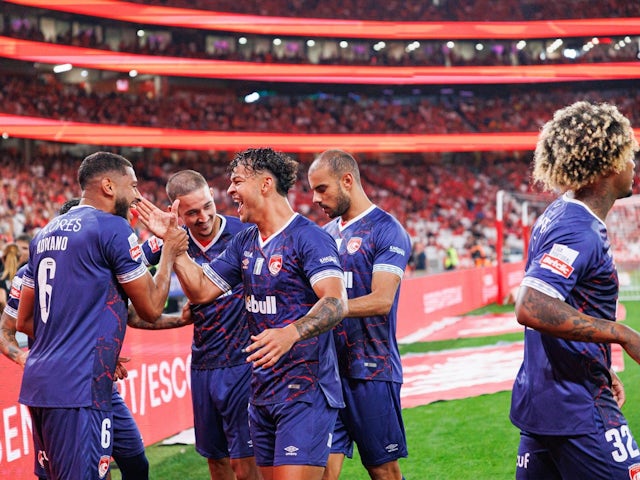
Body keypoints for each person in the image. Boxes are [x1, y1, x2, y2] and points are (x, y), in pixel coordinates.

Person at [136, 147, 348, 480]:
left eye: (237, 181)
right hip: (261, 391)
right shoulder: (246, 241)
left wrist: (290, 333)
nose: (230, 191)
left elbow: (336, 302)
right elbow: (201, 290)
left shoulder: (310, 238)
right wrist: (174, 241)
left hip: (304, 390)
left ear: (265, 184)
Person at [15, 151, 188, 480]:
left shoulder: (44, 234)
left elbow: (26, 321)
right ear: (109, 185)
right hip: (78, 387)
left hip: (43, 383)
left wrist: (93, 345)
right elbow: (151, 308)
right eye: (133, 185)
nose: (137, 195)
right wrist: (168, 248)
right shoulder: (112, 227)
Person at [509, 101, 640, 479]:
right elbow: (531, 305)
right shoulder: (578, 229)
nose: (633, 165)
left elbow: (561, 301)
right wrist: (621, 334)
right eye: (629, 155)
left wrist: (598, 361)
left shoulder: (559, 212)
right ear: (609, 163)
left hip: (544, 401)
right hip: (578, 406)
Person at [135, 169, 262, 480]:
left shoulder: (244, 233)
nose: (203, 216)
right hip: (204, 364)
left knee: (246, 464)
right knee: (216, 461)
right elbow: (120, 281)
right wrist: (173, 321)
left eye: (207, 205)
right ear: (174, 211)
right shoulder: (165, 243)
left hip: (244, 363)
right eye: (192, 212)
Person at [307, 149, 410, 480]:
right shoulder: (324, 235)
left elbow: (382, 300)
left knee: (383, 472)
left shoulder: (387, 229)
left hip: (371, 370)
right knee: (322, 472)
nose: (314, 198)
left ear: (347, 180)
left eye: (321, 189)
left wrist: (331, 309)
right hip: (327, 374)